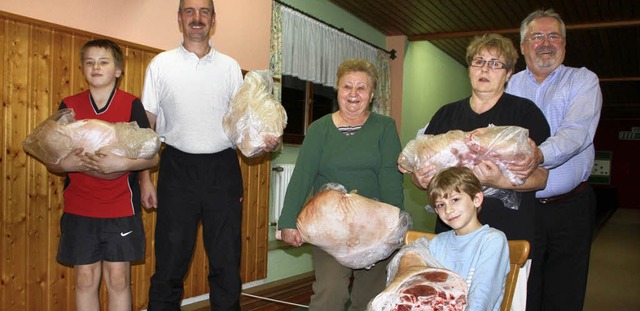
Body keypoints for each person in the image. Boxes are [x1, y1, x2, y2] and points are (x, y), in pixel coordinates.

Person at [142, 0, 278, 309]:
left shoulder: (230, 67)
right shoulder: (160, 65)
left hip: (223, 171)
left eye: (204, 11)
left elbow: (242, 122)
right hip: (176, 169)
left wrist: (261, 140)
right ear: (180, 19)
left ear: (213, 19)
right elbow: (146, 128)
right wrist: (144, 180)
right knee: (169, 266)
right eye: (189, 11)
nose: (197, 18)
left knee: (226, 264)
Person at [404, 33, 550, 310]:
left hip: (510, 233)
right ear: (469, 68)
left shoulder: (525, 113)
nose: (484, 69)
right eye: (478, 61)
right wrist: (419, 178)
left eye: (495, 64)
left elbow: (542, 177)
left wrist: (499, 180)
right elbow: (421, 171)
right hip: (453, 235)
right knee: (448, 301)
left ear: (508, 73)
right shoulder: (446, 115)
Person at [278, 58, 404, 311]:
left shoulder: (385, 127)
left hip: (374, 229)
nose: (353, 94)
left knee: (370, 298)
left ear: (371, 95)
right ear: (337, 90)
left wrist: (396, 227)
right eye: (347, 87)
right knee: (330, 292)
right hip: (329, 229)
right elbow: (303, 175)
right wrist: (287, 221)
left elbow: (390, 176)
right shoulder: (319, 129)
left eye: (361, 88)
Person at [46, 39, 159, 311]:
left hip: (120, 206)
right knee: (85, 279)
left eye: (104, 61)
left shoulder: (131, 105)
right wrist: (67, 164)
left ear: (118, 70)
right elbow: (52, 161)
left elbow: (152, 155)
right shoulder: (69, 106)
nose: (96, 67)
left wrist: (127, 169)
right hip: (79, 207)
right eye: (90, 62)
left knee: (118, 279)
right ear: (83, 69)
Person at [505, 9, 602, 311]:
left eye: (554, 36)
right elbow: (477, 123)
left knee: (565, 294)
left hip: (570, 209)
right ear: (522, 47)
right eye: (537, 37)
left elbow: (576, 134)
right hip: (520, 207)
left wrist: (539, 154)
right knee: (521, 290)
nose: (546, 43)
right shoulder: (508, 85)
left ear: (564, 44)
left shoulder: (583, 80)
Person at [426, 167, 510, 311]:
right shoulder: (437, 243)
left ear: (476, 199)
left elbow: (482, 298)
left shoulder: (493, 240)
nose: (448, 210)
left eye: (455, 200)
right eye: (441, 205)